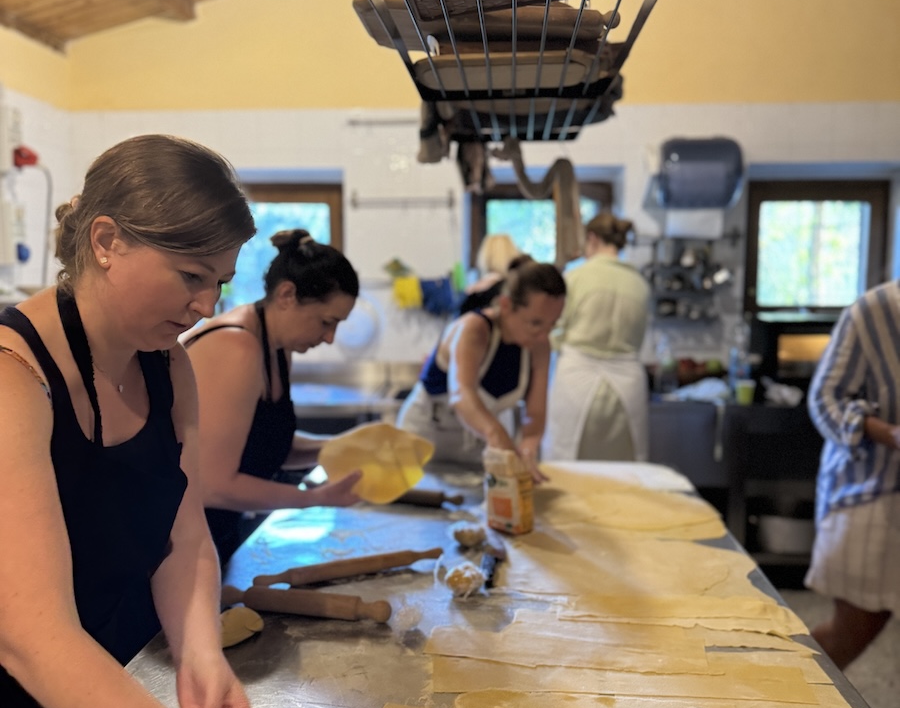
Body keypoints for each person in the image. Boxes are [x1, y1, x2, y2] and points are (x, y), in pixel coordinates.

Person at [0, 134, 380, 708]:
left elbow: (183, 534)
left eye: (221, 281)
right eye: (190, 276)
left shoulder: (167, 367)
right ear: (106, 242)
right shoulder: (14, 378)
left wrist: (199, 650)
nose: (207, 305)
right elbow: (32, 635)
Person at [183, 230, 362, 567]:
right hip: (177, 546)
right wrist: (316, 498)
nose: (329, 337)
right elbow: (212, 484)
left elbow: (264, 445)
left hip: (217, 533)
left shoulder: (277, 346)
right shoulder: (236, 346)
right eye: (327, 322)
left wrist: (343, 447)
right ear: (286, 294)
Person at [396, 256, 566, 481]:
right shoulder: (473, 329)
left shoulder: (539, 346)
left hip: (476, 447)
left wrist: (527, 450)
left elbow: (534, 416)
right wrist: (498, 436)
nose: (544, 335)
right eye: (535, 323)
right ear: (505, 305)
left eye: (552, 324)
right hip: (424, 438)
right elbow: (461, 395)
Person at [805, 280, 899, 669]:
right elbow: (823, 399)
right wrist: (887, 433)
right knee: (855, 628)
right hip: (871, 489)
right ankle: (776, 694)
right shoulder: (875, 309)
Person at [543, 211, 651, 462]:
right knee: (623, 463)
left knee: (569, 459)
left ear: (591, 238)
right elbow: (641, 337)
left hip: (575, 379)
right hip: (628, 385)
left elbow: (556, 329)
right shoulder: (640, 284)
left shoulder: (576, 277)